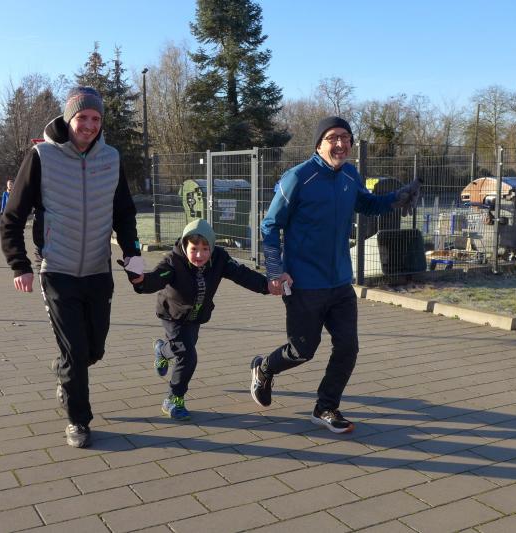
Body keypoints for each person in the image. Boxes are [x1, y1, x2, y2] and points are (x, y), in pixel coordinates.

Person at [249, 116, 420, 434]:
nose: (340, 144)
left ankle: (325, 407)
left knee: (348, 347)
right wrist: (274, 269)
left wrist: (396, 199)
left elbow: (367, 204)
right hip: (303, 283)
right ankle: (265, 368)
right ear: (319, 144)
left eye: (346, 137)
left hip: (340, 281)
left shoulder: (350, 175)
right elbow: (270, 225)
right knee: (302, 350)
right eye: (332, 138)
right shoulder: (298, 178)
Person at [0, 86, 143, 448]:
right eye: (83, 117)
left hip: (98, 270)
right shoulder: (42, 156)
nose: (89, 125)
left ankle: (65, 369)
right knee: (76, 353)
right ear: (69, 118)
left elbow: (124, 214)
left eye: (96, 118)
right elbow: (12, 216)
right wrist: (19, 265)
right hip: (57, 270)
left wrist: (133, 258)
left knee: (93, 350)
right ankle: (79, 420)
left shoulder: (111, 158)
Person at [124, 218, 268, 421]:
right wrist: (141, 281)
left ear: (212, 247)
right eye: (194, 249)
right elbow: (156, 278)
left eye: (205, 249)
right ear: (185, 246)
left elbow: (242, 274)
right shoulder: (173, 262)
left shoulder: (220, 259)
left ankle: (162, 350)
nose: (199, 255)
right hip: (173, 315)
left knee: (182, 348)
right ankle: (174, 399)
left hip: (196, 316)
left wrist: (267, 285)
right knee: (187, 355)